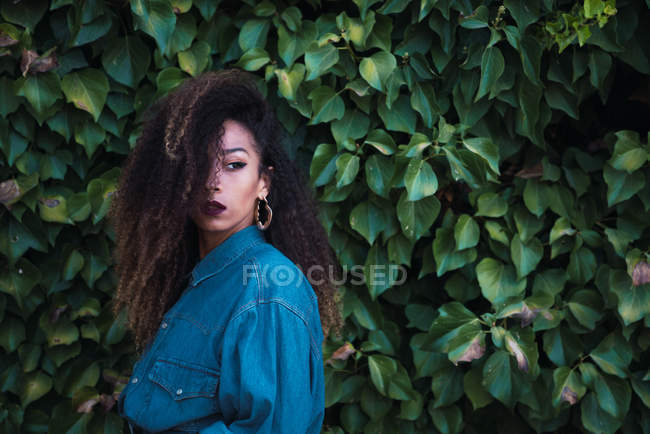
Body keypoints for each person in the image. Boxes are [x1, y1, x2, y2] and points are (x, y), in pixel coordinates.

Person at [107, 69, 342, 433]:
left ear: (263, 182)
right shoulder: (198, 278)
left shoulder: (267, 290)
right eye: (199, 164)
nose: (213, 182)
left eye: (234, 165)